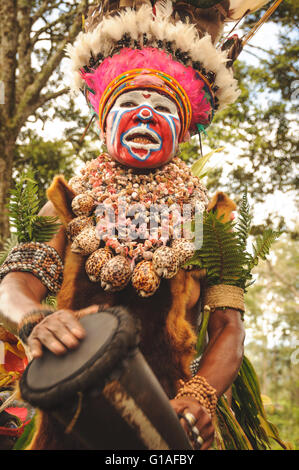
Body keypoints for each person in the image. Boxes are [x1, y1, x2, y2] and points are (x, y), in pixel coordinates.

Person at [0, 1, 271, 450]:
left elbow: (229, 328)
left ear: (183, 129)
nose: (144, 113)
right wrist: (34, 319)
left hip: (169, 419)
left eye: (162, 105)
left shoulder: (211, 220)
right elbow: (15, 284)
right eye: (127, 102)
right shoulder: (67, 204)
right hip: (70, 413)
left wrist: (200, 396)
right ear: (103, 120)